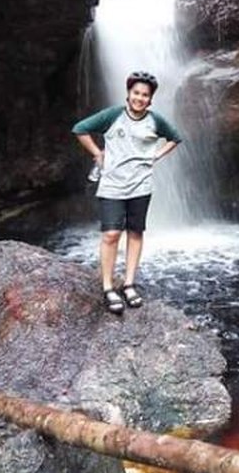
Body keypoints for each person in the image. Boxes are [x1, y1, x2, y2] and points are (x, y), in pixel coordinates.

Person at [72, 71, 182, 314]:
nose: (140, 98)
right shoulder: (113, 115)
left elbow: (175, 138)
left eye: (145, 95)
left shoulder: (155, 121)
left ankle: (130, 283)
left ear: (150, 99)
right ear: (129, 94)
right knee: (111, 234)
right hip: (112, 186)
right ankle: (108, 286)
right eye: (136, 93)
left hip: (141, 186)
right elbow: (80, 129)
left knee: (135, 232)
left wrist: (156, 155)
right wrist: (98, 154)